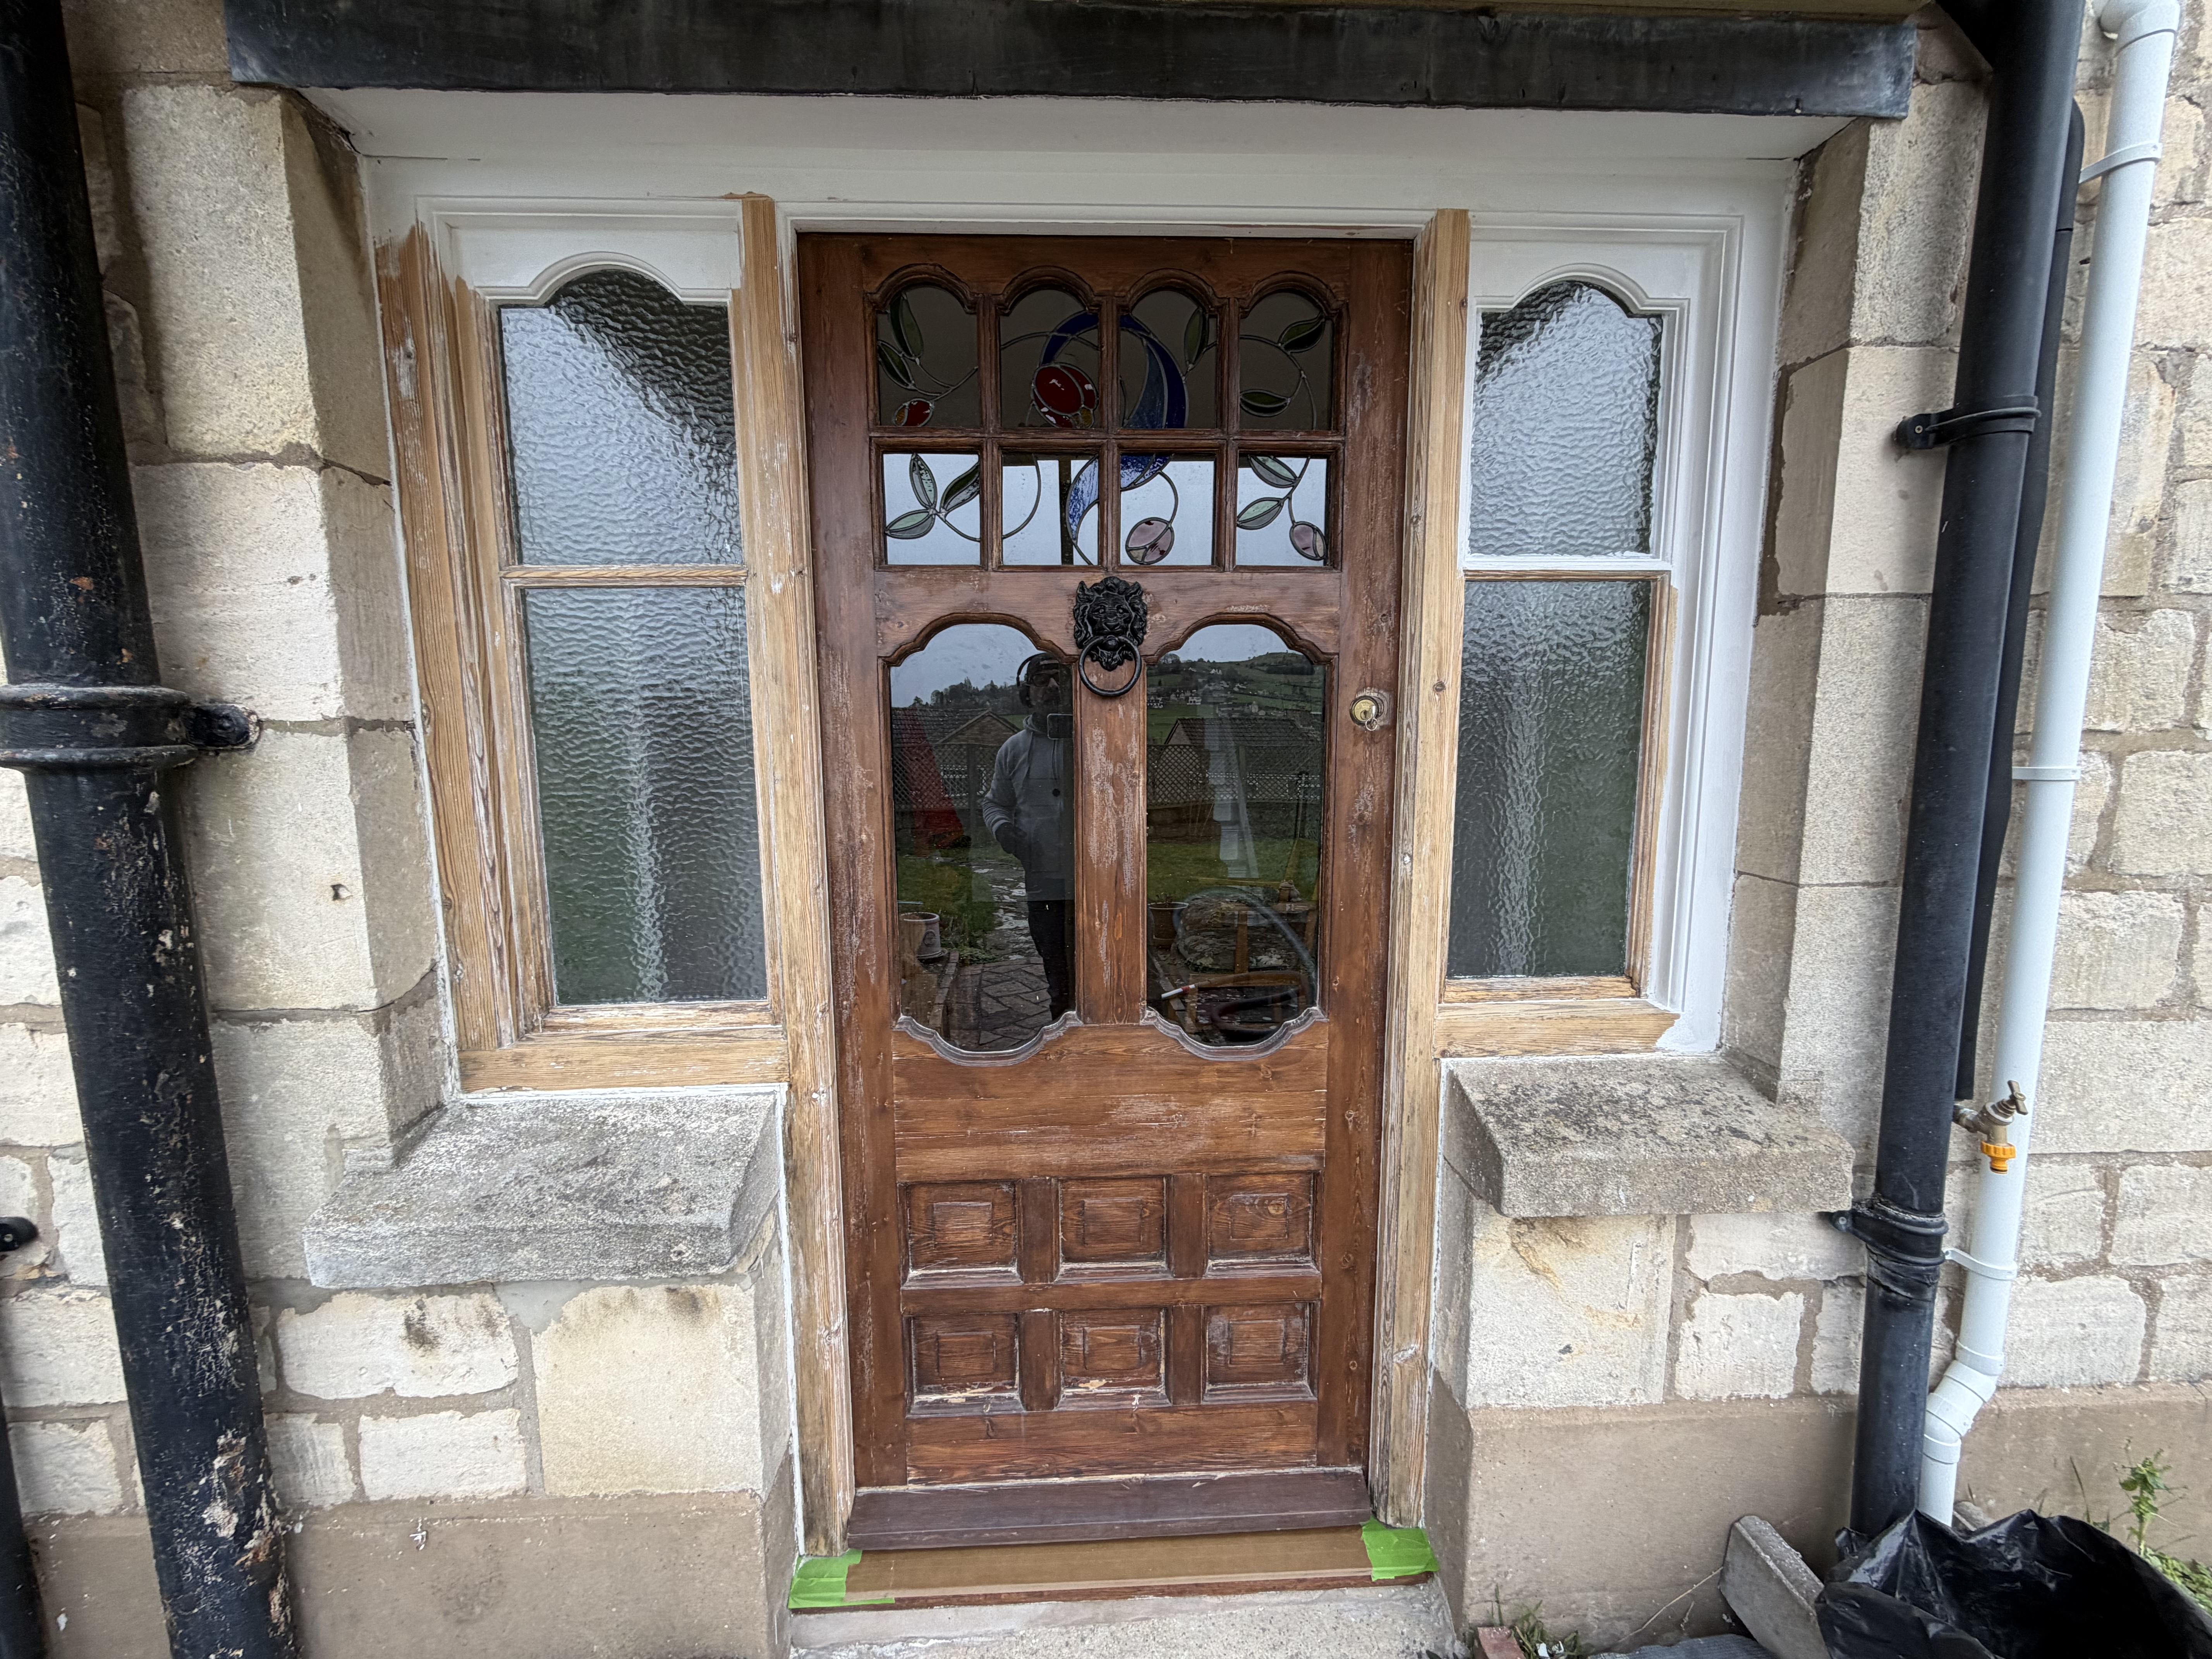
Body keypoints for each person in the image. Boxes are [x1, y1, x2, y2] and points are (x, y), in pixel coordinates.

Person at [981, 654, 1075, 1018]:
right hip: (1043, 874)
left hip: (1091, 873)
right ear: (1028, 693)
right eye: (1042, 682)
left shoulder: (1092, 739)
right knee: (1053, 956)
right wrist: (1005, 832)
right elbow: (994, 804)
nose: (1052, 688)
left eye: (1059, 680)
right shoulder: (1014, 749)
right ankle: (1061, 1028)